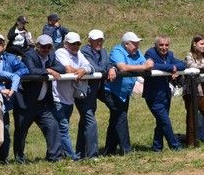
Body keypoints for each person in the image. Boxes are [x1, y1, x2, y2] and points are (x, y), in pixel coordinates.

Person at [14, 35, 66, 163]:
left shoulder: (52, 56)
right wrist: (48, 70)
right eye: (43, 46)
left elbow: (62, 68)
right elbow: (31, 70)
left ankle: (55, 157)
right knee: (21, 131)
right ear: (37, 46)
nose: (46, 49)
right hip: (25, 103)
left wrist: (49, 69)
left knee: (52, 126)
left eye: (49, 47)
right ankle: (19, 159)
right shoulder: (28, 55)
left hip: (42, 103)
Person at [104, 32, 153, 156]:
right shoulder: (117, 51)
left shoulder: (136, 53)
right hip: (111, 91)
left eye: (138, 43)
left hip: (124, 93)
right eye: (134, 43)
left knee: (115, 119)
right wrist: (142, 67)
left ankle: (109, 150)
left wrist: (147, 64)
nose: (137, 46)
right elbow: (122, 68)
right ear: (126, 44)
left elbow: (147, 64)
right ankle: (126, 150)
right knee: (121, 117)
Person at [0, 34, 28, 164]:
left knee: (4, 129)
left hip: (4, 99)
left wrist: (12, 76)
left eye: (0, 42)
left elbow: (24, 69)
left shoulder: (11, 58)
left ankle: (2, 159)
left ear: (4, 45)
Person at [143, 36, 186, 151]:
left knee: (161, 121)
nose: (164, 47)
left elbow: (183, 64)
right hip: (153, 94)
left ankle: (157, 147)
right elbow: (152, 65)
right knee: (165, 121)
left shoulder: (170, 55)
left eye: (166, 45)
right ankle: (175, 146)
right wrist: (171, 67)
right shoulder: (150, 53)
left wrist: (175, 67)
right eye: (161, 45)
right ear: (156, 45)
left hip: (166, 94)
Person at [52, 32, 91, 161]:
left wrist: (84, 70)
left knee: (63, 126)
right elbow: (67, 69)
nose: (75, 46)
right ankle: (72, 156)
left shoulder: (79, 54)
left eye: (77, 44)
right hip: (58, 97)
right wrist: (80, 70)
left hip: (69, 98)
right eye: (72, 44)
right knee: (63, 127)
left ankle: (60, 154)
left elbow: (89, 66)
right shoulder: (61, 52)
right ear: (65, 44)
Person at [77, 29, 113, 159]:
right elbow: (94, 68)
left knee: (85, 122)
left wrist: (111, 68)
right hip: (85, 92)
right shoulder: (84, 52)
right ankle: (92, 155)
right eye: (96, 40)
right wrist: (107, 69)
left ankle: (80, 152)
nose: (99, 42)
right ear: (89, 41)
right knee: (90, 121)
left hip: (97, 90)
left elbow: (107, 64)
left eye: (101, 40)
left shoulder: (103, 51)